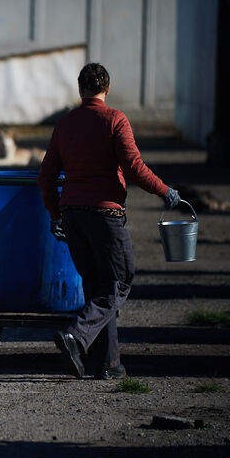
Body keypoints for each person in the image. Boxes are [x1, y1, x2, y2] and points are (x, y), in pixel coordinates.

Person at [38, 63, 180, 380]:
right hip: (106, 217)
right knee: (120, 281)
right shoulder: (115, 119)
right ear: (107, 89)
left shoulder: (64, 125)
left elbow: (45, 176)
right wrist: (165, 191)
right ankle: (75, 335)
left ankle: (108, 364)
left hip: (73, 217)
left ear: (80, 89)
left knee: (99, 290)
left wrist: (54, 213)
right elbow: (133, 166)